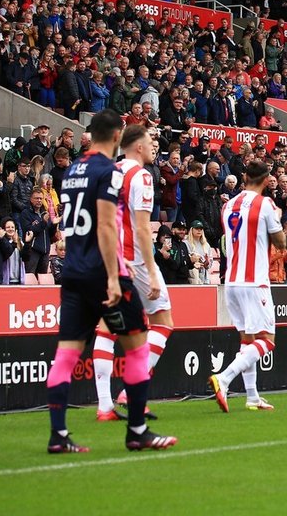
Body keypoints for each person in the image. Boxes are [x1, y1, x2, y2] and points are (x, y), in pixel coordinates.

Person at [45, 109, 176, 453]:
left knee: (66, 355)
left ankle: (58, 435)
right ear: (118, 136)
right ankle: (137, 430)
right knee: (136, 347)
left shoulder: (72, 170)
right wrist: (115, 279)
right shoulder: (111, 172)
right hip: (104, 272)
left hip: (72, 271)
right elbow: (106, 225)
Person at [92, 126, 176, 421]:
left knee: (106, 327)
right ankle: (130, 390)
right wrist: (152, 271)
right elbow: (141, 227)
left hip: (105, 258)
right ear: (137, 146)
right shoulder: (140, 176)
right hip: (134, 260)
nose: (155, 146)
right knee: (163, 322)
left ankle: (104, 407)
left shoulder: (108, 171)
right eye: (151, 141)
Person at [209, 160, 286, 413]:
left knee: (247, 340)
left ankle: (252, 397)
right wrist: (279, 223)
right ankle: (224, 378)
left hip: (231, 280)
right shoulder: (265, 205)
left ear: (244, 177)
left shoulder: (228, 205)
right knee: (268, 340)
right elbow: (280, 242)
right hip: (254, 281)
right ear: (266, 180)